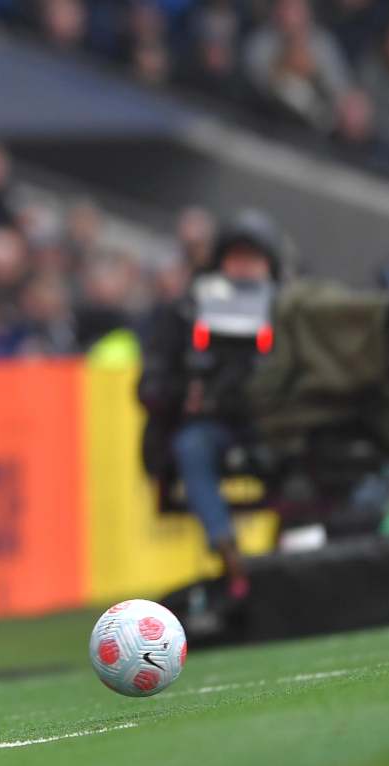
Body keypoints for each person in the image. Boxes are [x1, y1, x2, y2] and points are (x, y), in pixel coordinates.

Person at [138, 210, 286, 600]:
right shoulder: (186, 310)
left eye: (253, 258)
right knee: (192, 445)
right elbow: (151, 380)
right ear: (221, 261)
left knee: (305, 450)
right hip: (211, 425)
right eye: (237, 258)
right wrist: (180, 395)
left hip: (275, 425)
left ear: (269, 263)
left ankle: (292, 553)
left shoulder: (289, 311)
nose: (244, 267)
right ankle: (228, 552)